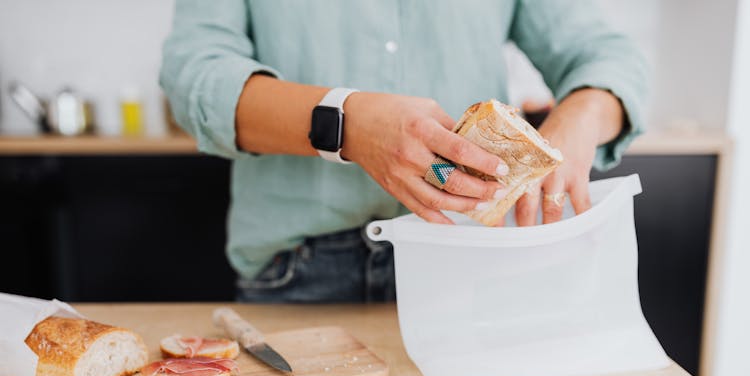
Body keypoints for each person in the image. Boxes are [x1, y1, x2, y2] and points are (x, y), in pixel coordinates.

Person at [160, 0, 647, 303]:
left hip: (471, 262)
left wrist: (576, 121)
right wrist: (347, 124)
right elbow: (194, 80)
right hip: (298, 271)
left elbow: (608, 56)